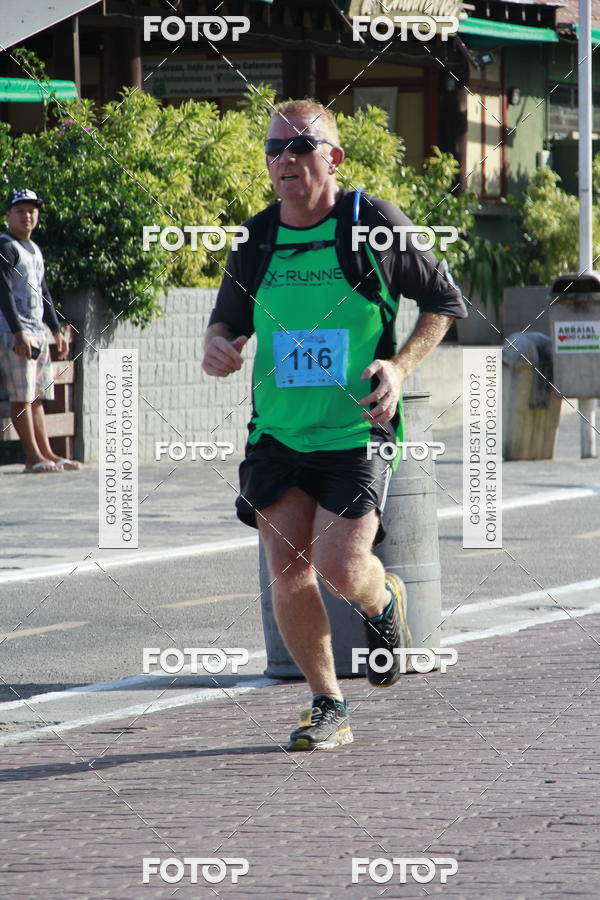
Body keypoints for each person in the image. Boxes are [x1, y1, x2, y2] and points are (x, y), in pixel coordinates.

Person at [202, 100, 466, 750]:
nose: (285, 159)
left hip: (355, 432)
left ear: (333, 156)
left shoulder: (368, 223)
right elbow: (226, 321)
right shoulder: (259, 236)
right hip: (279, 434)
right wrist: (218, 346)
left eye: (300, 146)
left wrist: (400, 368)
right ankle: (329, 705)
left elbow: (443, 300)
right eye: (274, 149)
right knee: (287, 569)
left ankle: (381, 601)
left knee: (340, 568)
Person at [0, 188, 81, 473]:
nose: (27, 215)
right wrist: (18, 330)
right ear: (8, 214)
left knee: (36, 396)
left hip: (37, 332)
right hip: (15, 333)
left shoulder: (34, 249)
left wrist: (56, 329)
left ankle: (47, 453)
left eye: (32, 210)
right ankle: (32, 457)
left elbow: (43, 292)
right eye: (20, 210)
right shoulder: (6, 246)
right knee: (22, 395)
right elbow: (4, 292)